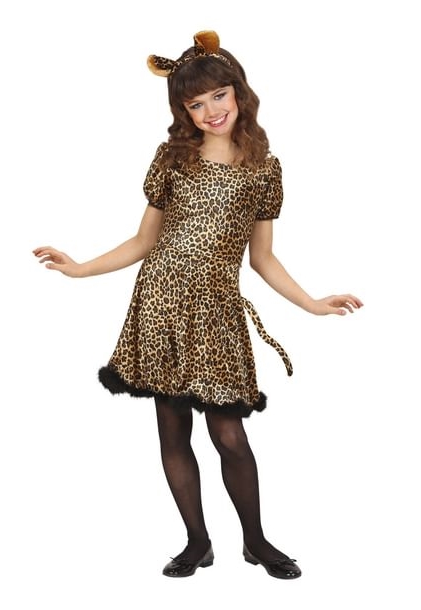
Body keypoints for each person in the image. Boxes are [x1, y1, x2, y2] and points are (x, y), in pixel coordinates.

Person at [33, 30, 363, 580]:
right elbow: (144, 241)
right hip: (160, 304)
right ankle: (196, 542)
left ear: (238, 92)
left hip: (216, 313)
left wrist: (311, 303)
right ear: (183, 111)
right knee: (173, 431)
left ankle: (255, 541)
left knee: (229, 434)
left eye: (218, 96)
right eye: (195, 104)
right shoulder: (173, 159)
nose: (210, 111)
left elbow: (262, 258)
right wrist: (80, 267)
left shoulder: (263, 168)